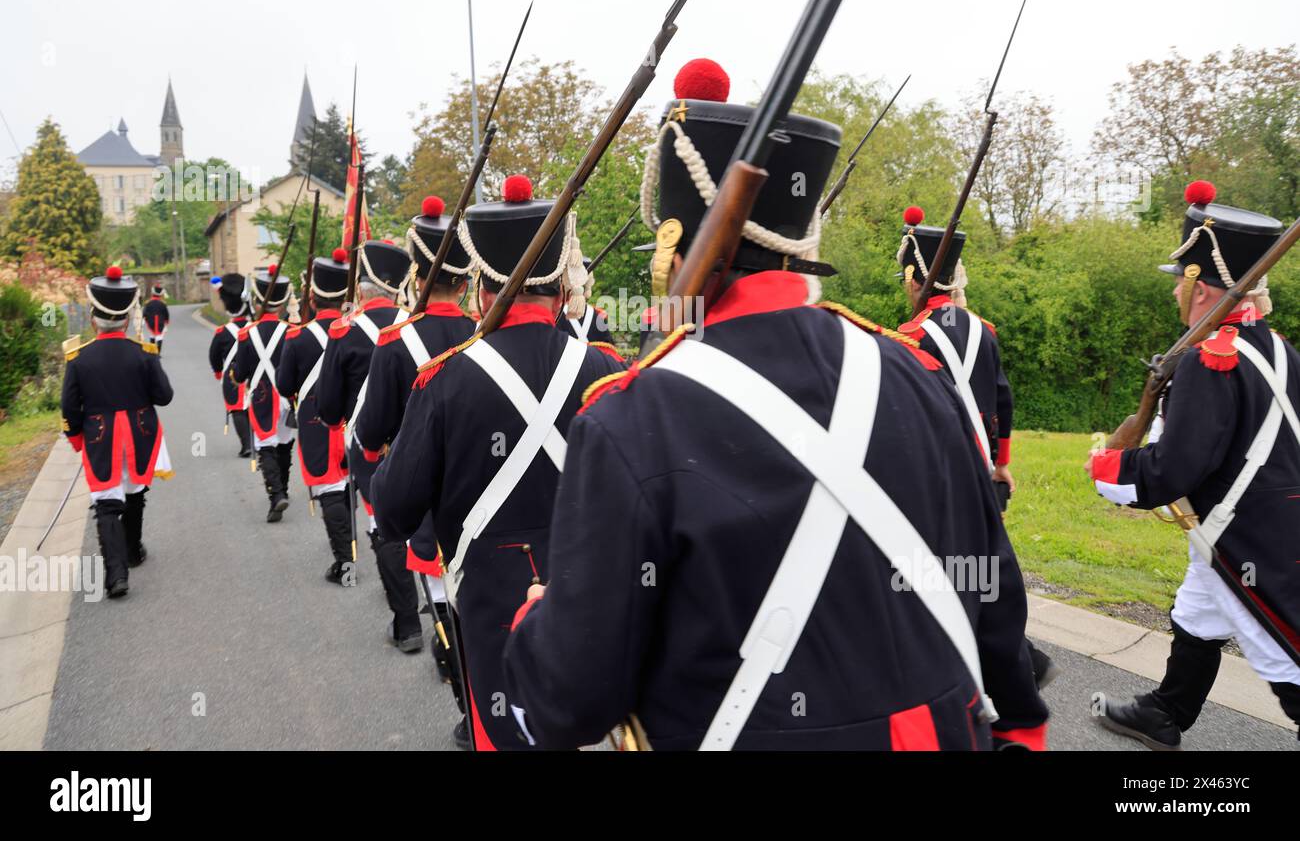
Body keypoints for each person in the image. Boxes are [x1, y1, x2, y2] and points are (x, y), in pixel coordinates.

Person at [500, 58, 1049, 750]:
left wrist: (534, 627)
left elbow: (567, 702)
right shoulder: (918, 375)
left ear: (673, 251)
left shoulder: (628, 418)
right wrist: (1023, 724)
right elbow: (991, 588)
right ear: (801, 242)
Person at [371, 173, 625, 750]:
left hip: (490, 602)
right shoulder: (609, 370)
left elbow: (394, 510)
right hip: (595, 596)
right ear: (563, 284)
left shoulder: (444, 380)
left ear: (483, 286)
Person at [1090, 180, 1300, 748]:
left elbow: (1172, 471)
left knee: (1289, 660)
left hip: (1251, 538)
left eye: (1180, 285)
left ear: (1199, 286)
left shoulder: (1210, 362)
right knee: (1200, 604)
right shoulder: (1277, 346)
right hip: (1260, 523)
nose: (1174, 296)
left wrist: (1106, 469)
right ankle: (1166, 711)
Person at [894, 208, 1057, 690]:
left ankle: (998, 668)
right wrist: (1002, 463)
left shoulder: (908, 339)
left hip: (942, 480)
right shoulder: (983, 331)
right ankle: (1020, 659)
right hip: (984, 474)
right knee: (975, 568)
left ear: (914, 279)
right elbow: (1002, 400)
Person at [353, 197, 476, 733]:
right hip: (487, 491)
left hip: (425, 505)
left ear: (415, 274)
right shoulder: (483, 332)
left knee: (448, 610)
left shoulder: (394, 343)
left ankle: (469, 715)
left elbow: (370, 433)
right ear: (469, 280)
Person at [317, 239, 423, 652]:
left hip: (373, 447)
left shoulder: (343, 331)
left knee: (387, 527)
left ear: (361, 289)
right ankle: (439, 609)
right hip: (422, 440)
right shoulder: (416, 323)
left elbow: (328, 406)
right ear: (397, 287)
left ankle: (408, 623)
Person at [61, 266, 174, 598]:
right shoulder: (144, 353)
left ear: (94, 319)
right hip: (139, 432)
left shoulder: (78, 359)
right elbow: (164, 397)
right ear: (126, 319)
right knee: (135, 491)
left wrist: (76, 438)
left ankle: (116, 575)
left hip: (100, 435)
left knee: (107, 503)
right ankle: (133, 549)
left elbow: (69, 409)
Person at [276, 249, 353, 582]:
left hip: (315, 420)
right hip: (353, 417)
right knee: (349, 480)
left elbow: (283, 385)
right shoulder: (357, 331)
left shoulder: (297, 338)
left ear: (312, 295)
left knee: (329, 487)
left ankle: (345, 563)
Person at [231, 265, 296, 524]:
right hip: (287, 395)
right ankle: (285, 488)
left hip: (261, 396)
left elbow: (240, 373)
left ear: (258, 299)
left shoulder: (247, 333)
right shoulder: (292, 330)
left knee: (265, 447)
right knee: (284, 444)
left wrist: (237, 373)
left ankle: (276, 494)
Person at [207, 274, 253, 458]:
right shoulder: (254, 327)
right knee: (252, 407)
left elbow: (214, 356)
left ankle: (246, 444)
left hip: (232, 375)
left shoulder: (221, 332)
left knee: (237, 409)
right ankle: (257, 440)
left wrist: (218, 372)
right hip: (254, 374)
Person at [141, 283, 170, 355]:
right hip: (160, 322)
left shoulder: (148, 303)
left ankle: (152, 353)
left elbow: (144, 313)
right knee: (159, 336)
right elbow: (166, 314)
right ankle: (158, 353)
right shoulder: (163, 304)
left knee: (153, 335)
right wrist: (166, 323)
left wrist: (143, 319)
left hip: (151, 322)